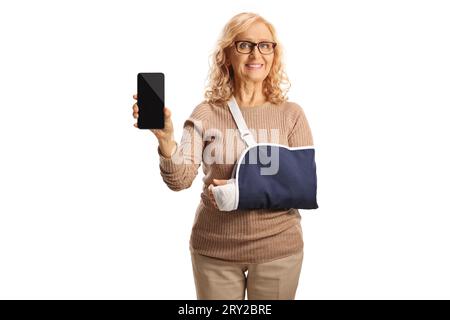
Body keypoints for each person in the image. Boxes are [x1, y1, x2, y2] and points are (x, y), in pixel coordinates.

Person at [132, 12, 315, 300]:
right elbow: (179, 181)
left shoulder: (291, 115)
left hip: (278, 250)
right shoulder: (206, 113)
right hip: (214, 250)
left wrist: (236, 192)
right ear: (227, 54)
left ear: (273, 54)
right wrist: (166, 140)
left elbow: (302, 188)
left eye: (265, 45)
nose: (256, 53)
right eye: (245, 45)